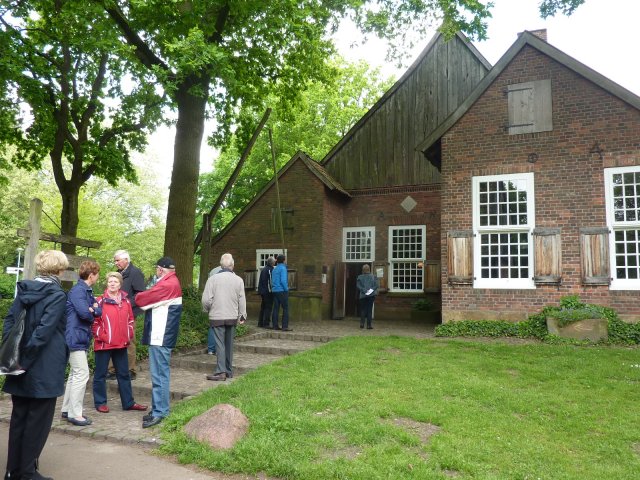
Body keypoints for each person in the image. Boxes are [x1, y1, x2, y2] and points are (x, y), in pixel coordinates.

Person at [2, 250, 69, 480]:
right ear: (59, 268)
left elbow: (9, 323)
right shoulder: (58, 294)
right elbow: (44, 332)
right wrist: (27, 361)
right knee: (37, 422)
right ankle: (27, 473)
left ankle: (13, 471)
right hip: (43, 366)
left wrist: (14, 358)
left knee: (19, 418)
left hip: (19, 364)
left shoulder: (24, 289)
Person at [134, 256, 182, 429]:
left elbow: (143, 300)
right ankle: (157, 408)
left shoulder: (167, 285)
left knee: (159, 375)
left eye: (156, 269)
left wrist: (136, 295)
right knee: (159, 374)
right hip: (161, 335)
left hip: (160, 336)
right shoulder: (172, 282)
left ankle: (160, 411)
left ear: (160, 269)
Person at [92, 272, 147, 415]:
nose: (112, 284)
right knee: (100, 375)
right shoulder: (100, 301)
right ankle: (100, 403)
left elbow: (130, 319)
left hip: (121, 344)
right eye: (110, 281)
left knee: (124, 374)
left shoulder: (126, 301)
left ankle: (128, 403)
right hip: (104, 344)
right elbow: (94, 322)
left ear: (120, 284)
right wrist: (103, 336)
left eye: (115, 282)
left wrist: (128, 334)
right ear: (107, 283)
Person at [60, 260, 101, 427]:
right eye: (97, 274)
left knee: (74, 374)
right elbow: (85, 313)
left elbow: (97, 309)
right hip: (75, 336)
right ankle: (75, 414)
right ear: (91, 275)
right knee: (82, 374)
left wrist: (94, 309)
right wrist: (92, 311)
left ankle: (66, 409)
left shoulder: (85, 291)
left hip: (79, 336)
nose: (98, 277)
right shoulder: (79, 291)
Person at [201, 253, 246, 382]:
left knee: (220, 344)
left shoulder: (213, 279)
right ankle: (229, 370)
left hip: (217, 316)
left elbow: (205, 300)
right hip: (232, 316)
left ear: (221, 265)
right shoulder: (238, 280)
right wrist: (242, 315)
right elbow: (242, 299)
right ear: (232, 265)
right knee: (229, 344)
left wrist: (208, 309)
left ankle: (221, 371)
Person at [110, 250, 145, 380]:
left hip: (129, 313)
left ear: (126, 260)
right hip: (114, 313)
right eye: (115, 260)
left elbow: (140, 294)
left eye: (117, 260)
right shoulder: (118, 273)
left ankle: (131, 370)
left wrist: (125, 303)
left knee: (129, 340)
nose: (116, 263)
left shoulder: (136, 273)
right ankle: (113, 370)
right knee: (113, 340)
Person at [271, 254, 290, 331]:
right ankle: (284, 326)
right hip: (282, 290)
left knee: (276, 308)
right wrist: (286, 289)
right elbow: (283, 281)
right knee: (285, 308)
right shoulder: (283, 268)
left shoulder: (275, 269)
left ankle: (275, 325)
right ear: (284, 260)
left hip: (275, 290)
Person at [357, 264, 379, 329]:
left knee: (363, 310)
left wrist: (364, 290)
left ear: (363, 270)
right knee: (369, 310)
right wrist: (370, 291)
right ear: (369, 269)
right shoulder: (374, 277)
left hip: (362, 296)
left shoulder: (359, 277)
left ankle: (362, 324)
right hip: (371, 295)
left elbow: (358, 286)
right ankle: (369, 325)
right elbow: (376, 285)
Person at [206, 266, 222, 354]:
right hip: (224, 304)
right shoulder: (231, 273)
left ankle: (211, 349)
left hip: (213, 302)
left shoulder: (213, 271)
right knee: (223, 327)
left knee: (213, 326)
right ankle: (219, 349)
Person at [257, 257, 275, 328]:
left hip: (262, 291)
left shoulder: (264, 269)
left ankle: (260, 323)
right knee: (268, 307)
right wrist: (272, 290)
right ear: (272, 263)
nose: (274, 263)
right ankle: (266, 323)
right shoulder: (270, 270)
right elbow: (270, 281)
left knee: (263, 307)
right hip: (268, 291)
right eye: (274, 262)